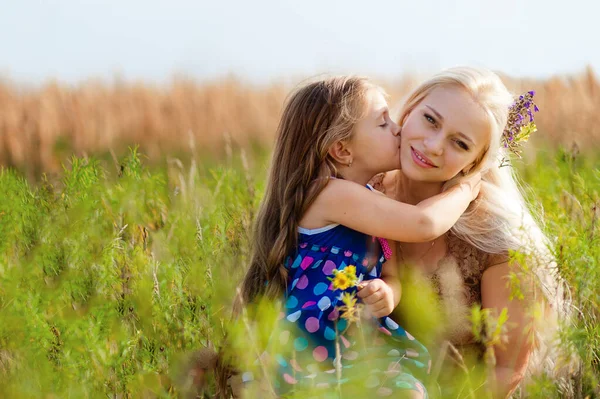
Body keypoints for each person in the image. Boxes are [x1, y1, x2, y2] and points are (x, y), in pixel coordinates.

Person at [233, 76, 481, 398]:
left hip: (357, 343)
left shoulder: (371, 199)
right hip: (313, 347)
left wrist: (387, 292)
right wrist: (466, 187)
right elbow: (423, 223)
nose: (398, 129)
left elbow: (389, 269)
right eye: (382, 123)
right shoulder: (329, 194)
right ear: (342, 149)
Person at [369, 66, 569, 398]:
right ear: (410, 109)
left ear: (475, 163)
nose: (433, 146)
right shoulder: (359, 194)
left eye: (459, 143)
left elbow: (507, 368)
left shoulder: (494, 237)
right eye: (431, 120)